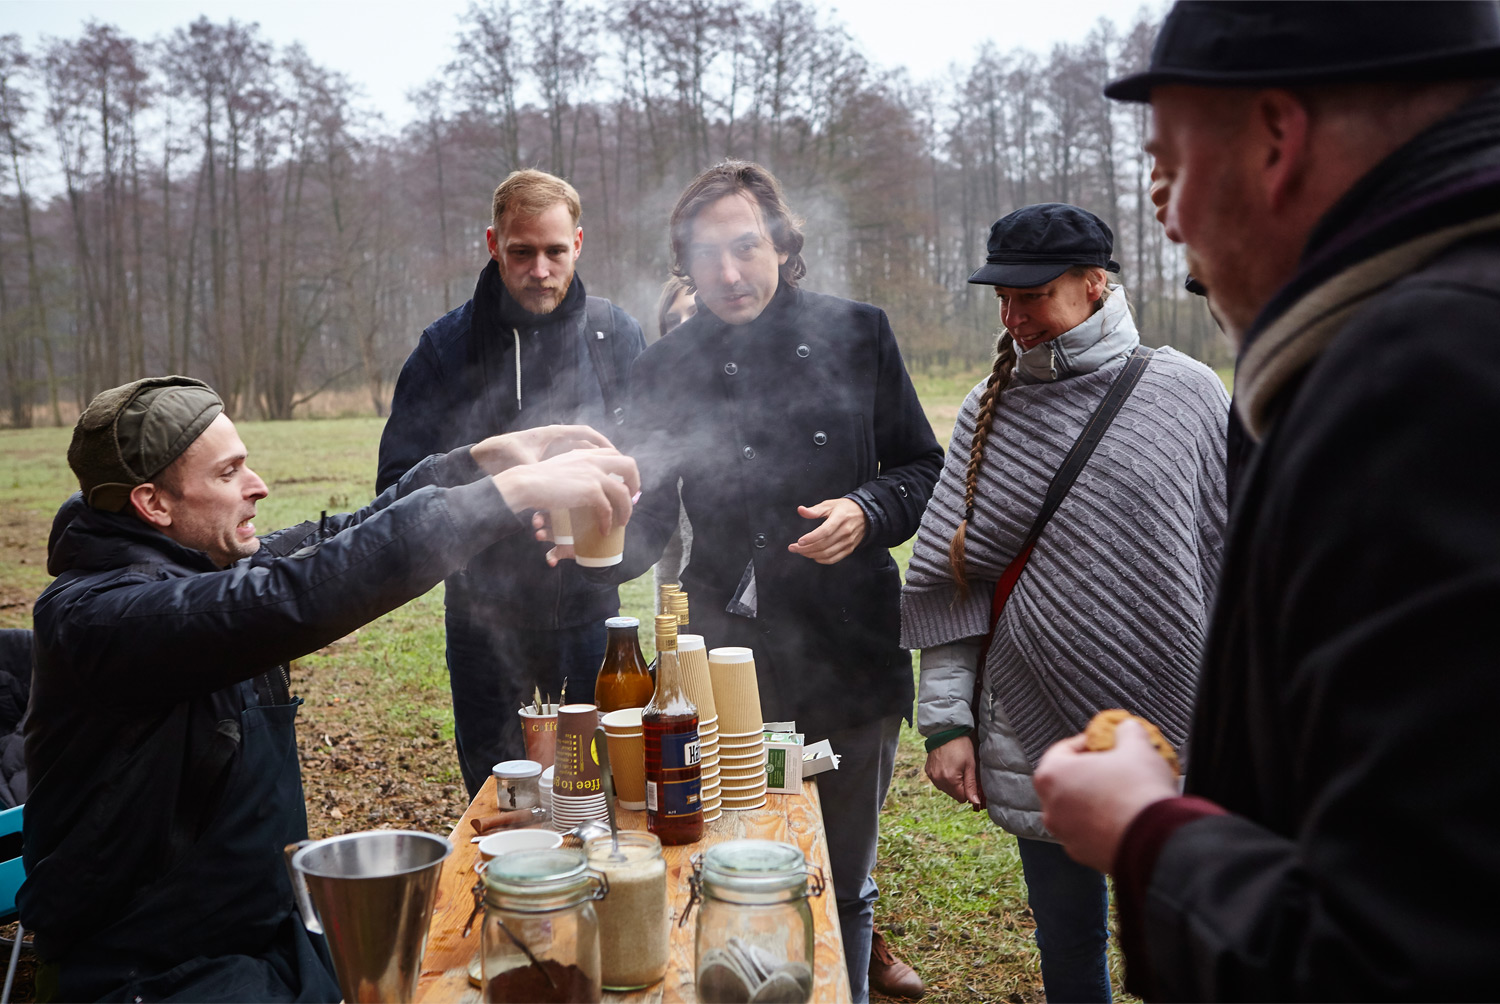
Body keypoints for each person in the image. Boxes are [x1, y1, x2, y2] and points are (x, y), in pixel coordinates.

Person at [1031, 2, 1500, 999]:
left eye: (1174, 166)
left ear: (1277, 139)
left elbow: (1405, 957)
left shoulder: (1414, 387)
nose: (1169, 214)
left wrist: (1147, 832)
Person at [22, 376, 636, 1002]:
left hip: (257, 943)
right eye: (229, 473)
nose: (257, 486)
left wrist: (472, 465)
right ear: (153, 504)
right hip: (146, 975)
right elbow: (295, 595)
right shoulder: (102, 618)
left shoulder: (197, 568)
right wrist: (504, 496)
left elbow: (337, 542)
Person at [556, 161, 941, 1001]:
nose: (729, 274)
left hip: (848, 644)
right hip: (722, 657)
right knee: (721, 861)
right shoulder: (663, 368)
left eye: (746, 248)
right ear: (684, 267)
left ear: (781, 245)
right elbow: (648, 517)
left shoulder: (859, 331)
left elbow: (921, 467)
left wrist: (870, 510)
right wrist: (591, 546)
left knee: (842, 874)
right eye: (707, 255)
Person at [901, 204, 1227, 1003]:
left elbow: (1233, 559)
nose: (1015, 318)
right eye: (1002, 300)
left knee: (1183, 929)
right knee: (1067, 930)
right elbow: (955, 579)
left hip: (1172, 715)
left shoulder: (1186, 392)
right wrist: (947, 723)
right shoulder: (989, 404)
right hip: (1031, 720)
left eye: (1035, 297)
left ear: (1094, 284)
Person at [377, 169, 647, 798]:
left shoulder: (616, 338)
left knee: (599, 792)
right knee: (500, 797)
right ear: (494, 244)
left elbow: (654, 470)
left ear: (578, 243)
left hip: (591, 613)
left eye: (555, 251)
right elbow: (397, 488)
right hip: (481, 618)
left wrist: (613, 559)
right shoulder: (444, 349)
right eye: (522, 252)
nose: (541, 269)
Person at [650, 275, 697, 607]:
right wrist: (670, 644)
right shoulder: (668, 421)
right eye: (672, 320)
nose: (682, 328)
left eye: (694, 313)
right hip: (696, 618)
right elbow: (668, 552)